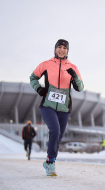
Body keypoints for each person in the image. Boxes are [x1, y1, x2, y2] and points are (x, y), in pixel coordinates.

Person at [30, 39, 84, 176]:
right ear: (55, 49)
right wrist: (38, 89)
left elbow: (80, 88)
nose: (62, 50)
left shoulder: (73, 67)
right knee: (55, 129)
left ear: (67, 50)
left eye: (64, 48)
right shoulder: (46, 64)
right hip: (47, 105)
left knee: (58, 136)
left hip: (64, 108)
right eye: (59, 47)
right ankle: (52, 163)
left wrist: (74, 76)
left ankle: (48, 161)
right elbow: (33, 78)